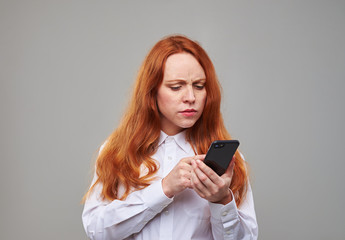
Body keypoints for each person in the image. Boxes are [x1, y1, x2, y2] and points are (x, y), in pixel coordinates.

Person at [82, 35, 258, 240]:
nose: (191, 97)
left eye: (199, 86)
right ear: (151, 91)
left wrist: (222, 200)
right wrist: (164, 189)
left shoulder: (229, 162)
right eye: (176, 86)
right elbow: (97, 231)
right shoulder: (117, 151)